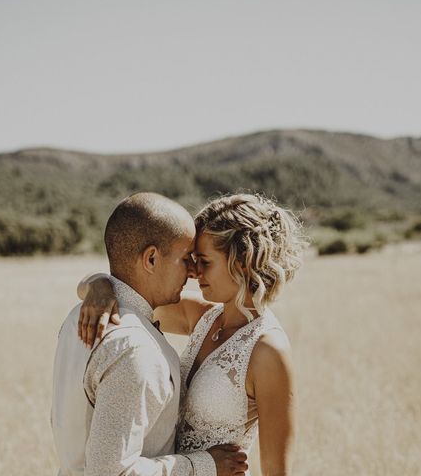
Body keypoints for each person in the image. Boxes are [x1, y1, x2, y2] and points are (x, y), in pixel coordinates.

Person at [78, 193, 305, 476]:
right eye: (193, 259)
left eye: (205, 261)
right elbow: (130, 293)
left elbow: (277, 471)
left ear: (242, 262)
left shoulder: (268, 350)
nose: (194, 271)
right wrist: (98, 285)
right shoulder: (201, 316)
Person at [51, 193, 248, 476]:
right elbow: (111, 472)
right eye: (185, 258)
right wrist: (205, 465)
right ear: (151, 259)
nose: (192, 271)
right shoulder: (135, 349)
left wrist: (98, 282)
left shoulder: (78, 315)